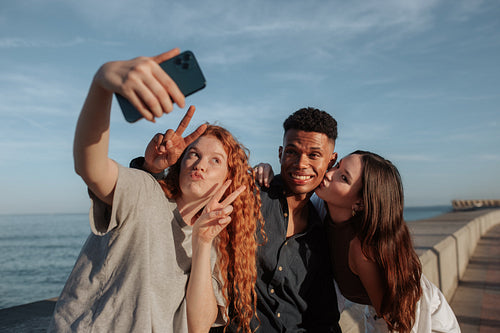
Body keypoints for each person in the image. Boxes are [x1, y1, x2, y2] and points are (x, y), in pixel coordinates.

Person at [48, 48, 262, 333]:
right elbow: (91, 167)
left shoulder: (209, 241)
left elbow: (199, 325)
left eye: (215, 161)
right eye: (193, 154)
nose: (200, 164)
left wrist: (201, 243)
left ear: (228, 179)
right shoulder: (145, 192)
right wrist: (102, 86)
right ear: (179, 162)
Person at [139, 107, 342, 332]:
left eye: (314, 155)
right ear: (280, 153)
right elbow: (182, 199)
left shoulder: (323, 227)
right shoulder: (244, 195)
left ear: (331, 161)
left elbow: (324, 315)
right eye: (292, 152)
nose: (301, 163)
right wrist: (153, 169)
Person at [256, 151, 461, 333]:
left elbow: (393, 320)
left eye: (343, 178)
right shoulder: (323, 207)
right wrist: (267, 173)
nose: (328, 174)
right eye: (337, 166)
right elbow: (293, 193)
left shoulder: (364, 250)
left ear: (360, 202)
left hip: (419, 319)